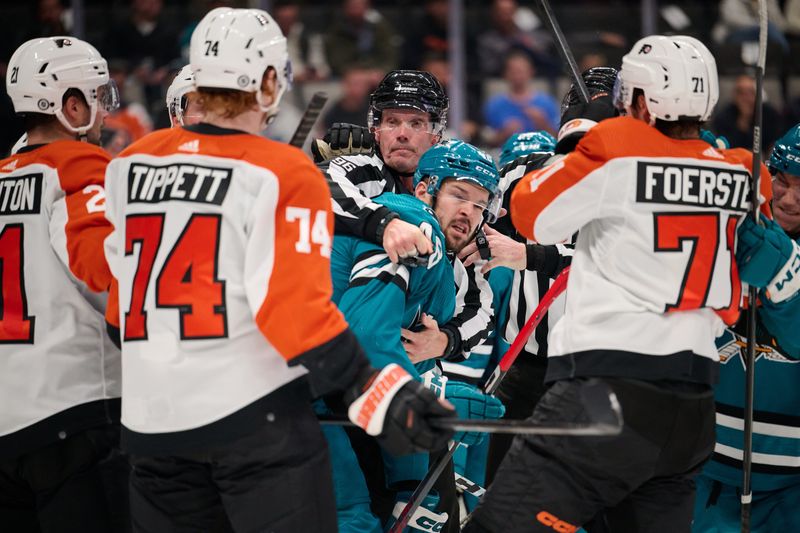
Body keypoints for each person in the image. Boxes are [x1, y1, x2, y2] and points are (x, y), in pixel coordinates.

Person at [102, 8, 454, 532]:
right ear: (269, 82)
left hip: (153, 426)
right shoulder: (282, 169)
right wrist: (379, 392)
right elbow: (295, 314)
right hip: (252, 424)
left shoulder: (129, 165)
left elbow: (117, 314)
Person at [463, 35, 773, 533]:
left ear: (645, 99)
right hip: (691, 414)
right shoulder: (743, 171)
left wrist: (586, 140)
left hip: (607, 396)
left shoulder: (616, 149)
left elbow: (529, 212)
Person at [324, 140, 506, 532]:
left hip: (335, 396)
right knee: (353, 520)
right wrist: (431, 399)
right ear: (424, 188)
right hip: (310, 397)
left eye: (479, 205)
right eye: (459, 194)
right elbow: (366, 337)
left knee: (407, 508)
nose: (468, 213)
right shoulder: (415, 221)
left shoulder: (450, 262)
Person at [0, 36, 126, 532]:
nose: (101, 111)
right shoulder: (82, 167)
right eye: (95, 97)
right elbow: (105, 274)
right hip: (74, 416)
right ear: (71, 105)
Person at [321, 70, 496, 370]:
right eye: (391, 122)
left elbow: (480, 304)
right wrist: (386, 223)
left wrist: (445, 340)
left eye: (416, 123)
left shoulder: (455, 188)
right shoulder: (359, 169)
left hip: (402, 346)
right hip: (331, 331)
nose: (402, 133)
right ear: (376, 129)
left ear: (436, 133)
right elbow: (315, 189)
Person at [692, 124, 800, 532]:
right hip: (704, 472)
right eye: (781, 180)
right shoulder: (731, 230)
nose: (787, 199)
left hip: (790, 489)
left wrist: (786, 276)